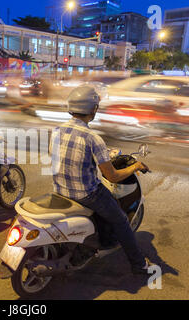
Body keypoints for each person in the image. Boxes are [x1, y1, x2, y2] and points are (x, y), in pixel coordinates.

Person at [50, 86, 154, 275]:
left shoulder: (57, 130)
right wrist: (136, 166)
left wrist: (104, 155)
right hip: (86, 194)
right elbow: (112, 176)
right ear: (93, 110)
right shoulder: (92, 138)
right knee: (121, 220)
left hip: (59, 189)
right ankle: (139, 265)